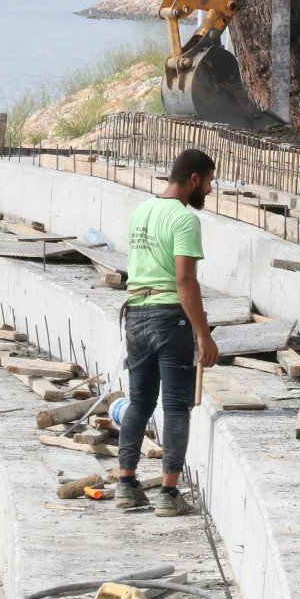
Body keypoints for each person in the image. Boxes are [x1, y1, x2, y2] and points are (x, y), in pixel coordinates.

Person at [111, 148, 220, 517]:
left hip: (135, 315)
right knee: (175, 405)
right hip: (168, 317)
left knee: (139, 402)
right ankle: (169, 494)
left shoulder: (141, 212)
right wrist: (203, 335)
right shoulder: (184, 219)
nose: (208, 189)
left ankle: (126, 485)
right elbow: (185, 280)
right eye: (208, 182)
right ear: (193, 179)